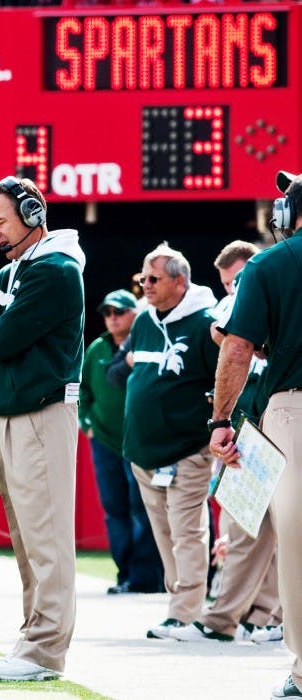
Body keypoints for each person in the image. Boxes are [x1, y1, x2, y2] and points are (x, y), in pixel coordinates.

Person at [0, 175, 85, 682]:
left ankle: (44, 652)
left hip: (41, 414)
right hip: (11, 416)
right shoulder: (16, 270)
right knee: (28, 538)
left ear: (33, 214)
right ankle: (32, 637)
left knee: (47, 539)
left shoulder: (54, 270)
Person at [210, 169, 302, 699]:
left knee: (297, 547)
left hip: (293, 411)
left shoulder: (269, 263)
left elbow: (238, 348)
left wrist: (222, 421)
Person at [171, 238, 281, 643]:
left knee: (273, 525)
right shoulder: (231, 301)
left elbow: (239, 340)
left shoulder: (270, 282)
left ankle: (266, 616)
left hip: (278, 416)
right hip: (253, 421)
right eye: (228, 285)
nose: (234, 291)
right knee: (249, 525)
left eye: (238, 281)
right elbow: (225, 335)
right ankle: (247, 617)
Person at [122, 242, 218, 641]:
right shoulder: (144, 320)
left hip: (187, 450)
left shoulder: (206, 323)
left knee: (186, 533)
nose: (145, 284)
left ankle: (187, 613)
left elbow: (223, 384)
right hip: (144, 454)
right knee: (164, 535)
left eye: (154, 278)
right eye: (143, 277)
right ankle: (178, 608)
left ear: (180, 282)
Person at [79, 289, 163, 595]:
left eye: (118, 312)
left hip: (139, 441)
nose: (112, 318)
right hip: (103, 439)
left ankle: (145, 577)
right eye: (107, 313)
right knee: (114, 508)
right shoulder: (97, 349)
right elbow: (81, 391)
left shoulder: (146, 343)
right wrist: (86, 422)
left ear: (133, 314)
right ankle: (124, 573)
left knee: (141, 507)